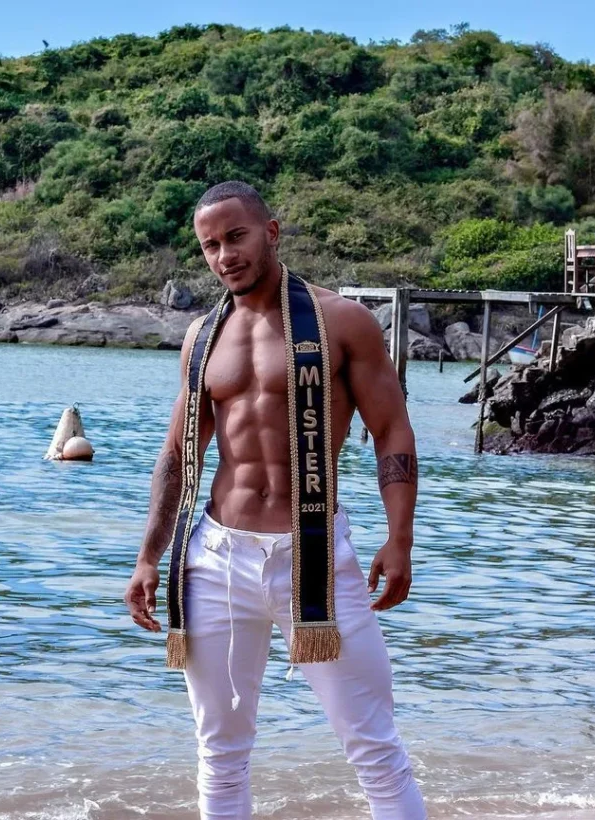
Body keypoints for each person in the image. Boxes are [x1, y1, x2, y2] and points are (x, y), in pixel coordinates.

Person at [124, 180, 427, 820]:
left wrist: (399, 539)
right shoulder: (203, 337)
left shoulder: (342, 321)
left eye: (236, 237)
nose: (225, 255)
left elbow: (392, 431)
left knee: (373, 746)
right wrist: (149, 557)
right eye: (210, 245)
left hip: (313, 556)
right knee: (219, 753)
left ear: (271, 232)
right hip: (214, 558)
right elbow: (178, 453)